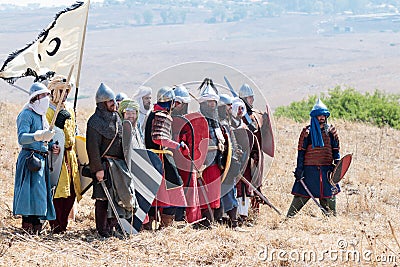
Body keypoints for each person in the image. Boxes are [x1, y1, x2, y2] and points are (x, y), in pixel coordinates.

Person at [86, 83, 137, 238]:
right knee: (102, 199)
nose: (114, 104)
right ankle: (102, 230)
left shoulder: (117, 119)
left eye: (114, 101)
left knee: (116, 198)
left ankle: (112, 227)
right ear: (102, 104)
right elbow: (92, 148)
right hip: (104, 166)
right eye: (110, 102)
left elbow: (123, 143)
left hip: (118, 166)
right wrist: (98, 169)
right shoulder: (94, 122)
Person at [13, 82, 56, 234]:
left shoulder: (42, 117)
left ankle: (37, 228)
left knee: (39, 196)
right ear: (36, 97)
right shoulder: (26, 114)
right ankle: (27, 228)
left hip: (41, 160)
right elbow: (22, 138)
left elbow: (44, 141)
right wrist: (38, 136)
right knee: (28, 195)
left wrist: (51, 146)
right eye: (44, 95)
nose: (47, 98)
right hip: (29, 160)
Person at [286, 98, 340, 217]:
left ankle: (331, 219)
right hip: (309, 169)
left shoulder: (331, 131)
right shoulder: (307, 132)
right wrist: (299, 169)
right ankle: (289, 218)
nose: (322, 118)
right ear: (314, 117)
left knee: (328, 194)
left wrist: (337, 166)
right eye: (319, 116)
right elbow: (301, 152)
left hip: (327, 169)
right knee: (301, 195)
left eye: (323, 116)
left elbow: (336, 150)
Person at [143, 86, 188, 228]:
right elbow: (158, 138)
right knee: (174, 188)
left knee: (153, 193)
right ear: (171, 101)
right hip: (161, 159)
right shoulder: (162, 114)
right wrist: (178, 145)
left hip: (152, 158)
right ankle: (164, 225)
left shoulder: (152, 113)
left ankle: (151, 224)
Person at [46, 75, 82, 234]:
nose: (64, 94)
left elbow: (74, 132)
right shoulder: (47, 110)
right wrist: (51, 146)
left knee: (71, 192)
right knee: (57, 192)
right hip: (54, 158)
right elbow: (44, 134)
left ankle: (64, 224)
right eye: (61, 90)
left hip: (70, 156)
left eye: (67, 91)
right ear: (53, 91)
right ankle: (56, 226)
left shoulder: (70, 110)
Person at [171, 85, 202, 224]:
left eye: (180, 103)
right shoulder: (167, 119)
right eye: (176, 103)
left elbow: (194, 144)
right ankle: (174, 219)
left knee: (188, 191)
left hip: (186, 162)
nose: (178, 106)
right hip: (170, 160)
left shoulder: (189, 122)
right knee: (174, 190)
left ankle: (188, 220)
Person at [197, 79, 225, 227]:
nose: (213, 105)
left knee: (214, 195)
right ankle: (206, 223)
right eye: (210, 102)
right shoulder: (198, 120)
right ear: (203, 104)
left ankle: (214, 222)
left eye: (214, 102)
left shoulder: (215, 122)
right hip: (204, 164)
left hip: (215, 163)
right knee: (205, 195)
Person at [218, 94, 242, 229]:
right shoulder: (219, 124)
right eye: (228, 106)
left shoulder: (226, 123)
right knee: (225, 191)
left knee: (230, 189)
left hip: (230, 162)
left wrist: (236, 152)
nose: (230, 108)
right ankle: (229, 220)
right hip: (222, 163)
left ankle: (232, 220)